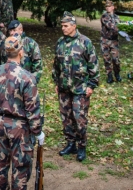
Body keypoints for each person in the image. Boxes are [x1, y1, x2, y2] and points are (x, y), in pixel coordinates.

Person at [0, 36, 44, 190]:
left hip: (0, 124)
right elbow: (32, 109)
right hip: (20, 128)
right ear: (21, 52)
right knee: (20, 169)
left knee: (1, 165)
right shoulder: (27, 77)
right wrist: (38, 132)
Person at [52, 11, 99, 162]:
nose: (63, 28)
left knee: (79, 118)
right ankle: (70, 143)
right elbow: (56, 65)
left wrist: (91, 85)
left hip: (80, 89)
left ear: (74, 26)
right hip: (64, 88)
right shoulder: (60, 42)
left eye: (66, 26)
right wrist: (57, 82)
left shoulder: (85, 42)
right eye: (62, 26)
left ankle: (82, 146)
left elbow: (93, 65)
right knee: (66, 118)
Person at [100, 0, 122, 84]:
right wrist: (121, 29)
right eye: (106, 6)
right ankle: (109, 76)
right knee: (107, 59)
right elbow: (110, 26)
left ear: (113, 7)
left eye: (109, 6)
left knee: (115, 59)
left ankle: (117, 74)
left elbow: (119, 25)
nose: (107, 8)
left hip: (114, 41)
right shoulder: (104, 16)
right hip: (105, 40)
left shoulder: (117, 17)